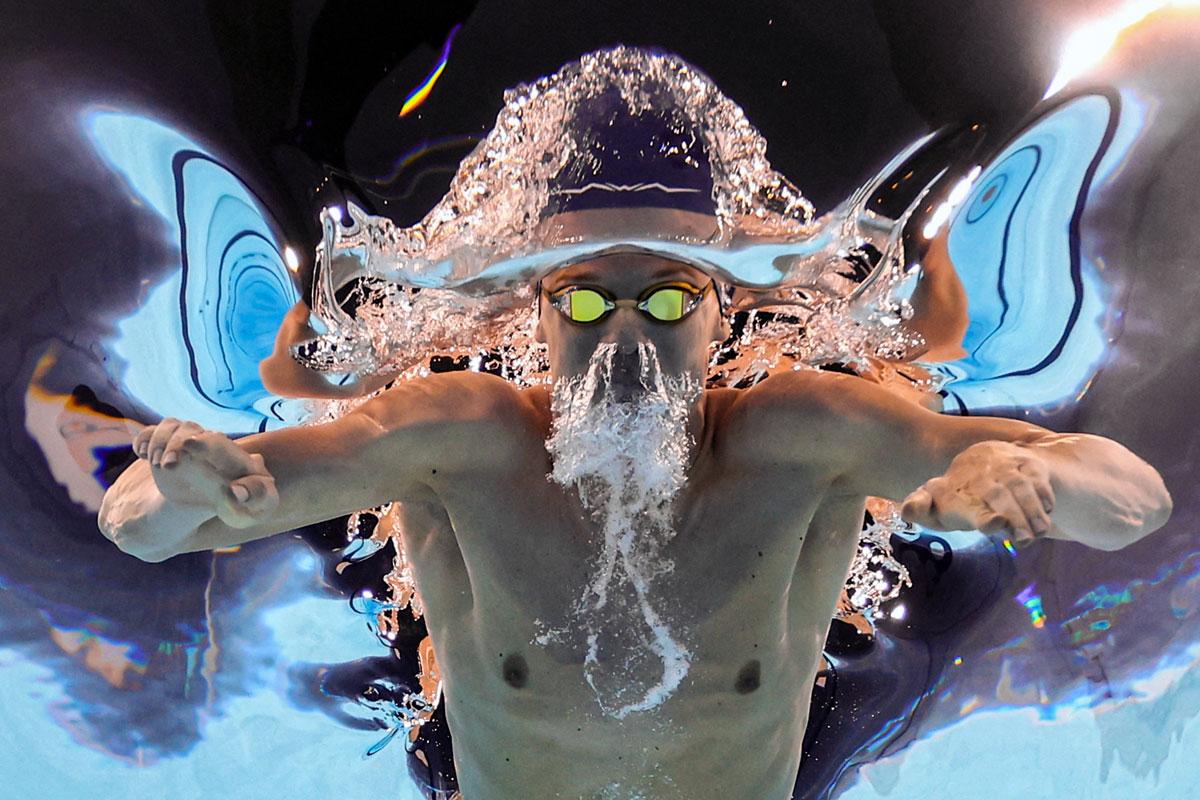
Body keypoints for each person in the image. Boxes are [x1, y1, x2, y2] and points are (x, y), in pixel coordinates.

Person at [97, 50, 1174, 800]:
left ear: (718, 314)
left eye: (664, 299)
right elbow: (138, 523)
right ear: (536, 313)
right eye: (581, 300)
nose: (624, 333)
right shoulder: (459, 433)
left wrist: (1029, 482)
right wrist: (181, 491)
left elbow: (1135, 503)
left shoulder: (805, 433)